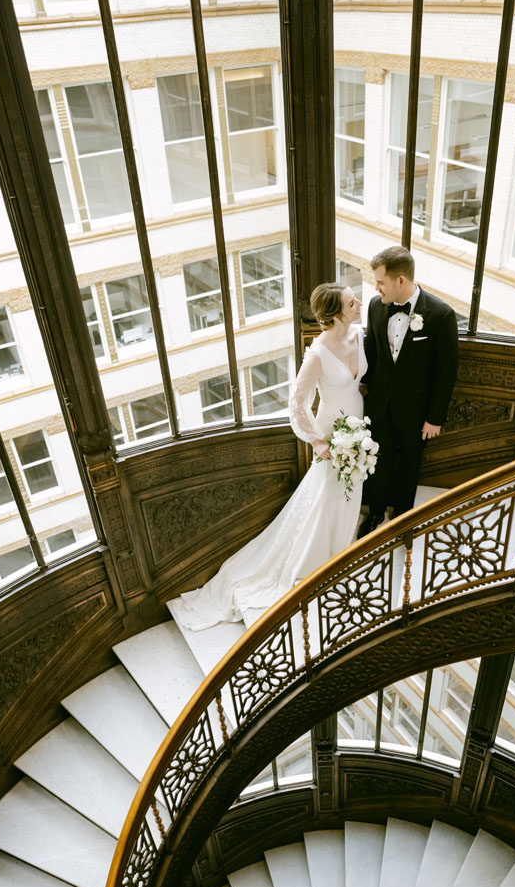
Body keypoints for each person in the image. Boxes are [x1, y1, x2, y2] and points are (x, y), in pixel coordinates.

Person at [169, 281, 366, 630]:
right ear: (336, 314)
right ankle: (310, 565)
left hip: (358, 429)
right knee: (324, 498)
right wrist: (317, 442)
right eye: (353, 302)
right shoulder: (318, 353)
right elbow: (297, 402)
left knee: (349, 493)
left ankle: (339, 553)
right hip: (331, 433)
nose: (359, 303)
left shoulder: (358, 335)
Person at [359, 245, 458, 536]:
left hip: (417, 411)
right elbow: (371, 351)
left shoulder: (441, 315)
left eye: (380, 281)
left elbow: (446, 372)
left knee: (410, 466)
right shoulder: (376, 306)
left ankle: (402, 519)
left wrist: (435, 417)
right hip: (379, 404)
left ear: (400, 281)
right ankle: (376, 513)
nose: (376, 287)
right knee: (378, 461)